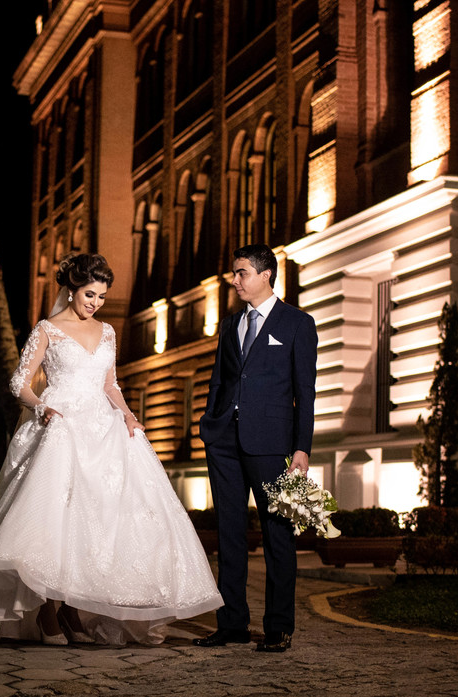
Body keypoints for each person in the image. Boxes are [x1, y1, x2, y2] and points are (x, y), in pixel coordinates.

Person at [0, 253, 222, 647]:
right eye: (89, 294)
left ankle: (71, 608)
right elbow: (20, 382)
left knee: (96, 523)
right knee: (52, 522)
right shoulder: (48, 328)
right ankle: (47, 611)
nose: (95, 303)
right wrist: (41, 406)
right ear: (71, 289)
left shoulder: (108, 332)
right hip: (59, 426)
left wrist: (130, 417)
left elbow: (110, 385)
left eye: (101, 296)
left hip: (103, 429)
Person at [193, 244, 318, 653]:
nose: (234, 280)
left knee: (278, 534)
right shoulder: (230, 325)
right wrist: (208, 426)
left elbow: (306, 392)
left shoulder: (298, 323)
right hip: (225, 443)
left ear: (266, 275)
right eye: (234, 272)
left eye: (241, 272)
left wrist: (301, 449)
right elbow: (218, 380)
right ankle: (232, 624)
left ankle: (279, 626)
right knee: (229, 535)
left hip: (273, 447)